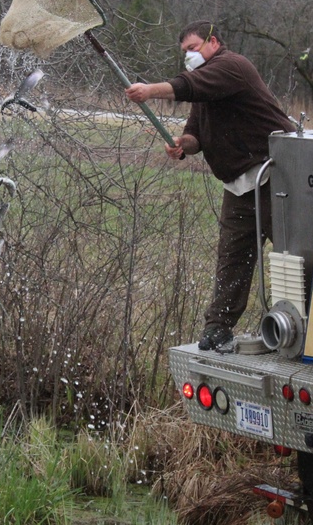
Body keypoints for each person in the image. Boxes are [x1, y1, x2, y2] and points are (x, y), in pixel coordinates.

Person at [126, 20, 295, 351]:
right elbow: (195, 136)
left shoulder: (232, 67)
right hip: (238, 184)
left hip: (275, 176)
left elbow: (188, 85)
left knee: (294, 257)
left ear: (212, 42)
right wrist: (180, 144)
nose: (188, 57)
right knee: (232, 258)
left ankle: (312, 324)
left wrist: (149, 90)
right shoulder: (204, 90)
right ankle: (218, 327)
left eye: (192, 49)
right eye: (184, 53)